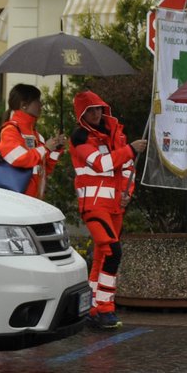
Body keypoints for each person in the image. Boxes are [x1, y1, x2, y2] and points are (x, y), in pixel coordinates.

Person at [69, 89, 146, 330]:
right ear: (82, 113)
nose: (95, 113)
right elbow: (102, 164)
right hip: (93, 206)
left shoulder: (115, 135)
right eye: (90, 110)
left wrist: (127, 194)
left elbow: (126, 169)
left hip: (114, 206)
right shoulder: (80, 137)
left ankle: (91, 308)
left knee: (103, 256)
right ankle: (105, 308)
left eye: (98, 108)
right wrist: (131, 149)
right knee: (113, 251)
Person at [0, 83, 67, 199]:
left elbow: (44, 170)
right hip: (16, 201)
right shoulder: (10, 131)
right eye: (37, 101)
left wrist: (56, 148)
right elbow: (18, 159)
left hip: (34, 202)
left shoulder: (37, 136)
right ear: (24, 105)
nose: (41, 105)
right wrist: (45, 148)